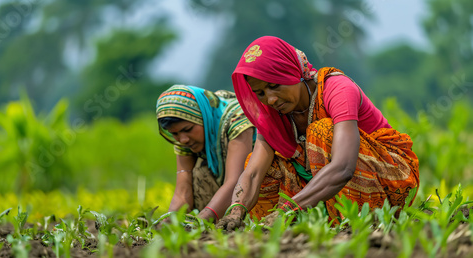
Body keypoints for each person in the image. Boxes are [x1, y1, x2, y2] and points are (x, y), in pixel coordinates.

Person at [216, 36, 420, 229]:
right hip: (323, 187)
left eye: (274, 86)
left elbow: (343, 166)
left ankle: (359, 222)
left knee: (322, 132)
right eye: (260, 93)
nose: (271, 100)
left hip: (391, 178)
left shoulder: (337, 89)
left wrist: (289, 208)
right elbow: (252, 173)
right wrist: (236, 210)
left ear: (291, 72)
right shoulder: (273, 115)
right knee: (263, 164)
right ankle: (279, 230)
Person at [156, 84, 255, 222]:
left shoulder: (236, 117)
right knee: (200, 174)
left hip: (254, 186)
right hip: (226, 193)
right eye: (175, 133)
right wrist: (168, 222)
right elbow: (183, 189)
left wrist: (202, 220)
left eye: (188, 129)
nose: (183, 139)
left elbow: (235, 180)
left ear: (204, 116)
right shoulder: (185, 140)